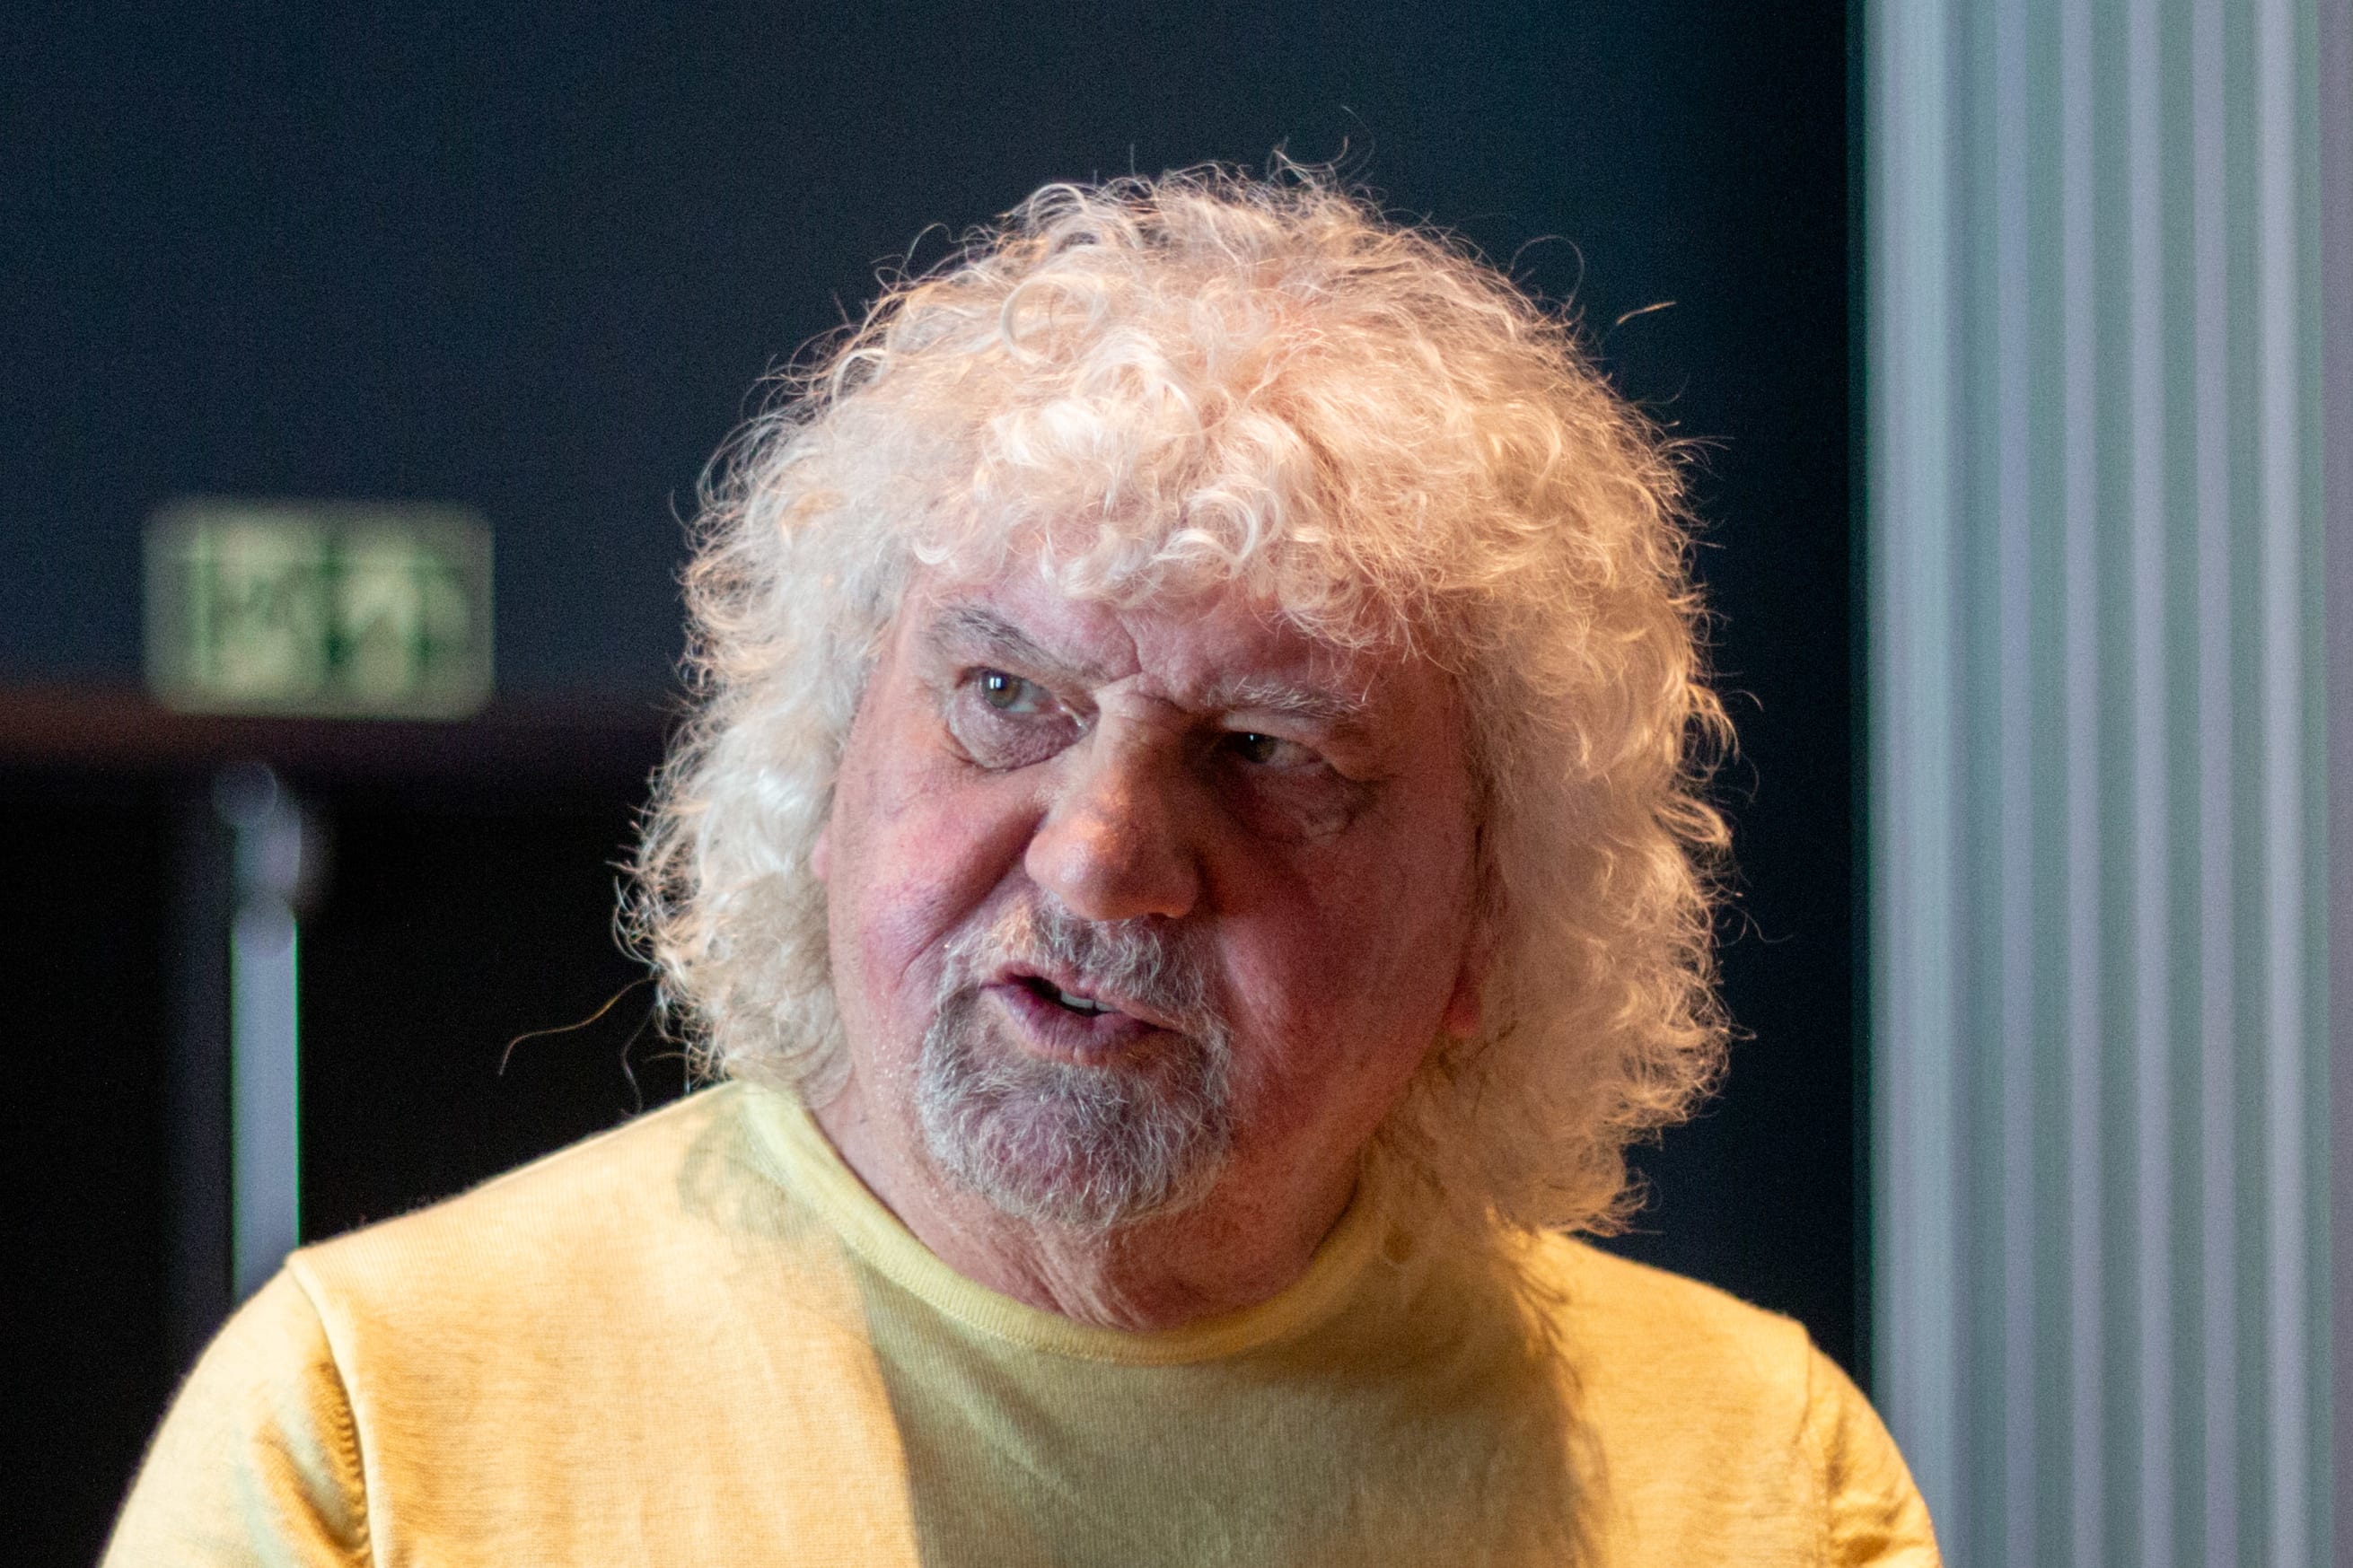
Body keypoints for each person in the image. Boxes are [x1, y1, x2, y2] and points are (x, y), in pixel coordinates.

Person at [107, 168, 1939, 1565]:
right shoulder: (370, 1433)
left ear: (1492, 917)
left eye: (1268, 751)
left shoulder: (1750, 1480)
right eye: (1005, 696)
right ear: (823, 770)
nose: (1100, 859)